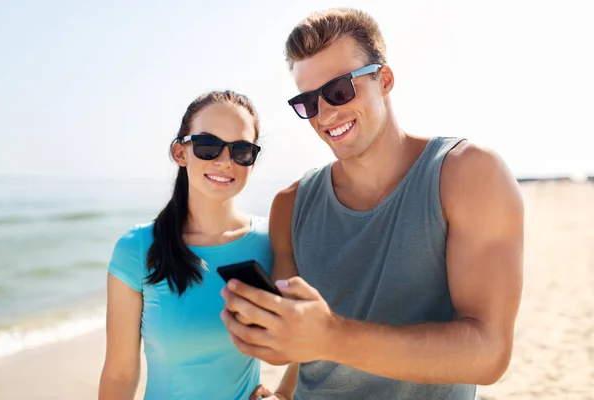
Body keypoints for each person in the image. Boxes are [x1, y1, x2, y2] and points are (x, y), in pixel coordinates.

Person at [221, 8, 524, 400]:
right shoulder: (291, 205)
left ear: (384, 80)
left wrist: (331, 336)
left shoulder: (468, 175)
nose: (326, 113)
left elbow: (489, 353)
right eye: (309, 102)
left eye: (339, 90)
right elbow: (303, 344)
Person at [98, 90, 274, 400]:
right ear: (181, 153)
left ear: (253, 160)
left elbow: (312, 339)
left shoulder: (270, 242)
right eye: (208, 146)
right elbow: (120, 373)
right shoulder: (137, 248)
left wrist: (285, 393)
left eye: (241, 150)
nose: (224, 161)